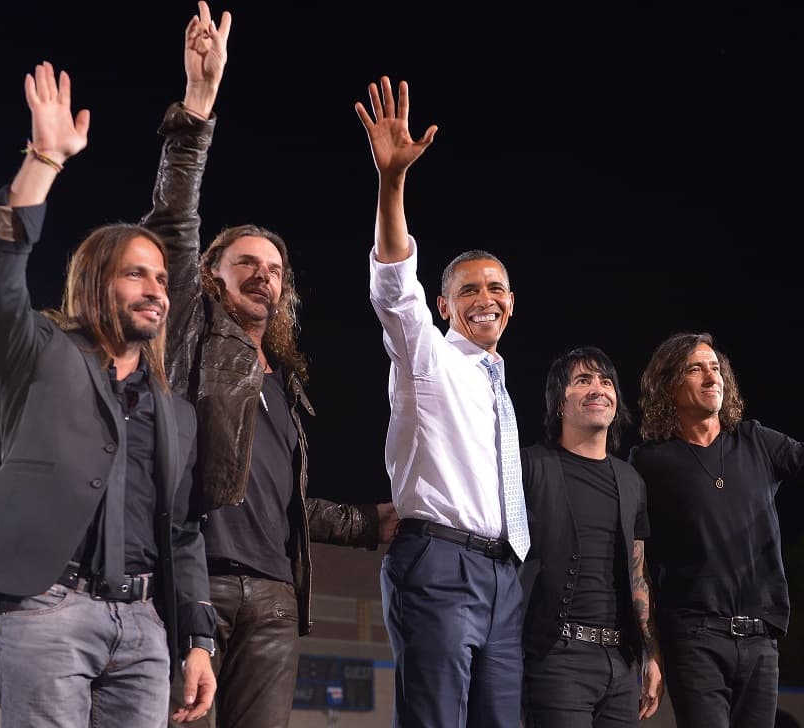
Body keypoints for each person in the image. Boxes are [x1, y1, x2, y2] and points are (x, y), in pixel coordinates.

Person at [138, 5, 399, 727]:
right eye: (246, 263)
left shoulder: (283, 384)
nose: (264, 276)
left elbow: (282, 504)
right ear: (211, 278)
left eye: (275, 268)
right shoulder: (191, 332)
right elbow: (174, 219)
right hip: (195, 588)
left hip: (278, 601)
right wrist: (197, 106)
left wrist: (371, 521)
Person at [0, 60, 217, 727]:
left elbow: (182, 532)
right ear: (96, 282)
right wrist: (44, 159)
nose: (156, 288)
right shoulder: (36, 351)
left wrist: (199, 639)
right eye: (136, 274)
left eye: (161, 278)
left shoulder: (172, 408)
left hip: (145, 627)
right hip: (46, 607)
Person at [355, 75, 531, 728]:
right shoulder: (426, 356)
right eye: (469, 288)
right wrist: (392, 180)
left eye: (498, 287)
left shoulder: (500, 386)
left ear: (512, 302)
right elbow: (393, 286)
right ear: (444, 304)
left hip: (504, 576)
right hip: (439, 566)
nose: (486, 296)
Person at [628, 331, 804, 728]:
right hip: (694, 637)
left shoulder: (756, 442)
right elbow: (638, 559)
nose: (711, 377)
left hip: (761, 638)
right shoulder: (649, 461)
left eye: (716, 368)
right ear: (669, 385)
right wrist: (651, 650)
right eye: (695, 369)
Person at [520, 346, 663, 726]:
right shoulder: (530, 467)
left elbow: (638, 574)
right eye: (583, 381)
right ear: (559, 404)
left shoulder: (631, 480)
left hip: (620, 663)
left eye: (606, 381)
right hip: (556, 659)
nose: (598, 388)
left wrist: (651, 654)